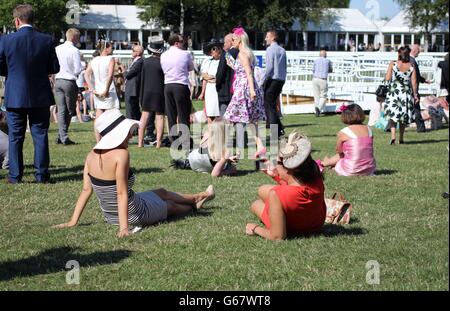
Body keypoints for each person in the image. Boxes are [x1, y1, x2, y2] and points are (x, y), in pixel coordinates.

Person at [54, 109, 216, 237]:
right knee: (170, 206)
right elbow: (121, 193)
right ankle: (195, 203)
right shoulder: (121, 155)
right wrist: (124, 228)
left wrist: (72, 221)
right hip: (134, 213)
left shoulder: (91, 155)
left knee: (162, 192)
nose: (131, 134)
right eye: (127, 131)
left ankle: (197, 197)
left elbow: (86, 190)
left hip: (111, 216)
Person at [0, 4, 60, 184]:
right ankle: (42, 175)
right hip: (40, 94)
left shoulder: (6, 40)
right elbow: (54, 67)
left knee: (15, 137)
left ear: (17, 20)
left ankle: (15, 176)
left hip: (15, 94)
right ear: (33, 20)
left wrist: (11, 72)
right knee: (40, 135)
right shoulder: (47, 40)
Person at [246, 131, 325, 240]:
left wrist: (255, 228)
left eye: (276, 162)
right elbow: (295, 186)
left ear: (289, 168)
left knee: (255, 204)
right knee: (262, 190)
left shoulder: (277, 195)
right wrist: (275, 176)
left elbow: (277, 236)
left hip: (291, 228)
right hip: (314, 224)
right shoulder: (316, 179)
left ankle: (273, 212)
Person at [223, 27, 266, 159]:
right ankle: (260, 146)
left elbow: (248, 72)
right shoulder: (246, 53)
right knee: (251, 120)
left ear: (240, 40)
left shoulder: (242, 54)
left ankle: (227, 152)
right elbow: (238, 67)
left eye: (234, 39)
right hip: (246, 87)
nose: (232, 41)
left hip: (244, 89)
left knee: (229, 118)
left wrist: (252, 90)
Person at [317, 104, 376, 176]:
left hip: (351, 169)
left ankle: (325, 163)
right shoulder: (369, 129)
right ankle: (327, 162)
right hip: (369, 169)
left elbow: (339, 151)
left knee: (342, 155)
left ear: (345, 116)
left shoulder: (344, 132)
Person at [160, 33, 194, 148]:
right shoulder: (185, 54)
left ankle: (173, 139)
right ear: (176, 43)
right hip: (181, 85)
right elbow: (190, 68)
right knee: (183, 114)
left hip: (168, 85)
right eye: (182, 41)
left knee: (171, 114)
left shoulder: (163, 55)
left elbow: (163, 69)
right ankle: (185, 140)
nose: (183, 43)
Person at [171, 120, 238, 177]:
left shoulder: (207, 135)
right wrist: (229, 171)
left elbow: (211, 155)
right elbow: (214, 174)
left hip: (192, 159)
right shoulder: (224, 152)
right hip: (198, 164)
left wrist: (227, 159)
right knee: (231, 167)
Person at [85, 41, 119, 142]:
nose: (112, 49)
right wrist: (106, 89)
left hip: (97, 90)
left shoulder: (94, 60)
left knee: (99, 115)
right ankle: (108, 139)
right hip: (108, 90)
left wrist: (92, 88)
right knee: (111, 115)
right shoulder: (110, 59)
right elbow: (110, 76)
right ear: (106, 48)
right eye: (111, 47)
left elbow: (86, 74)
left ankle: (98, 140)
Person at [384, 46, 418, 145]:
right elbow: (414, 82)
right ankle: (401, 138)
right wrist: (415, 94)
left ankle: (393, 136)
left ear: (399, 54)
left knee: (393, 115)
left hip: (394, 91)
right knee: (403, 116)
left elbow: (388, 78)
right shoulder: (411, 66)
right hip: (406, 92)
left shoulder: (393, 64)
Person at [54, 28, 83, 146]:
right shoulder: (74, 50)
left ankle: (61, 135)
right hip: (69, 81)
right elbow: (77, 69)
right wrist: (82, 68)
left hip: (58, 80)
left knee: (61, 110)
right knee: (70, 110)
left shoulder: (57, 48)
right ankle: (63, 136)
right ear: (74, 37)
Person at [138, 36, 165, 148]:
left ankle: (140, 143)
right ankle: (158, 143)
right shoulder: (163, 62)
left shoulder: (144, 62)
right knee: (160, 117)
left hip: (146, 91)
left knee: (144, 117)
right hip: (159, 91)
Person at [263, 30, 287, 139]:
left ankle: (275, 132)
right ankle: (279, 129)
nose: (265, 39)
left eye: (267, 37)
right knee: (272, 104)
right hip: (280, 80)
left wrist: (262, 80)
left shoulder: (270, 50)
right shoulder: (282, 50)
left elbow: (269, 68)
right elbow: (284, 67)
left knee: (270, 106)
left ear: (272, 37)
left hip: (272, 79)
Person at [199, 39, 223, 124]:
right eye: (211, 49)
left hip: (218, 89)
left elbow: (219, 77)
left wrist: (212, 77)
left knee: (218, 114)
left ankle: (218, 134)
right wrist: (202, 93)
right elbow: (204, 76)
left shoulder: (223, 61)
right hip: (209, 89)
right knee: (209, 113)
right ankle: (210, 133)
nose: (212, 51)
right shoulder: (207, 61)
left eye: (214, 49)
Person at [216, 33, 239, 117]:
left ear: (230, 42)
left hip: (225, 90)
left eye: (225, 43)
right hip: (238, 90)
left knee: (224, 117)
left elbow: (220, 73)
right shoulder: (242, 53)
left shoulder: (226, 54)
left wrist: (217, 85)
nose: (223, 45)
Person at [410, 44, 432, 133]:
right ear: (414, 51)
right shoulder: (412, 61)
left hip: (409, 87)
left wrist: (424, 80)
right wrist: (415, 92)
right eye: (418, 51)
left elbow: (416, 76)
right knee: (416, 108)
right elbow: (415, 77)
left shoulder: (409, 60)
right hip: (412, 87)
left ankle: (389, 126)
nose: (419, 53)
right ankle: (421, 127)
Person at [124, 45, 144, 123]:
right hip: (131, 87)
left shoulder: (139, 61)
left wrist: (123, 72)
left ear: (138, 52)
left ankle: (133, 127)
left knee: (131, 109)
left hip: (133, 88)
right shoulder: (136, 61)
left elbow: (129, 74)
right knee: (133, 109)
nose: (132, 52)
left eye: (133, 51)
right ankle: (136, 127)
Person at [312, 47, 332, 117]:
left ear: (319, 54)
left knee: (316, 96)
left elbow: (313, 70)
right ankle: (318, 108)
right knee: (323, 96)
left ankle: (316, 110)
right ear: (325, 55)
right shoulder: (328, 61)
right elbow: (330, 70)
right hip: (323, 79)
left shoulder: (315, 61)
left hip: (315, 79)